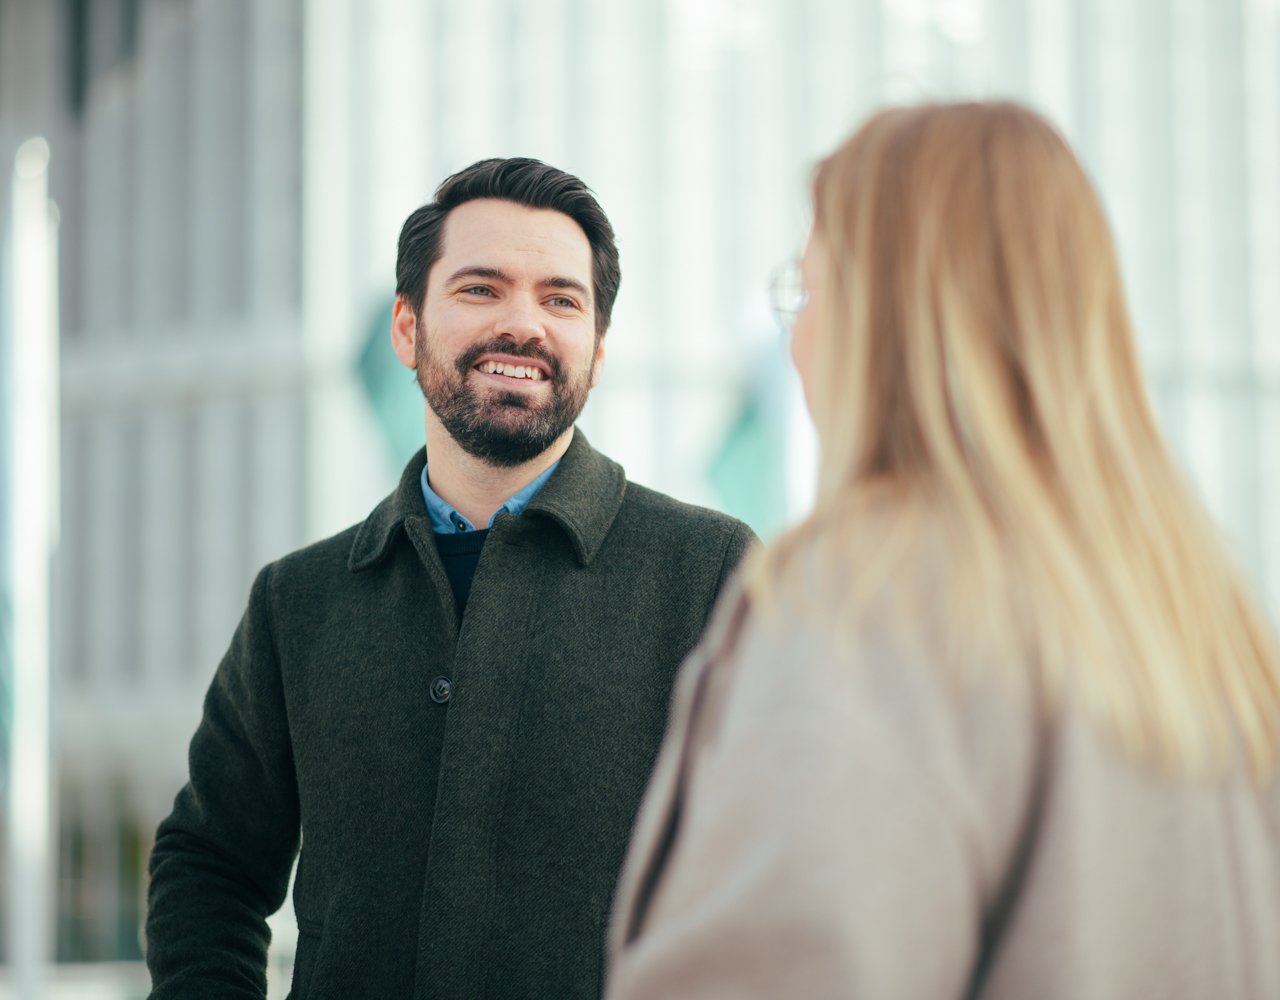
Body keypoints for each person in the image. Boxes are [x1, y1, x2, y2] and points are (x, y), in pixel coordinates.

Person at [605, 101, 1280, 999]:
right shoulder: (1201, 609)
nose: (796, 338)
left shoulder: (866, 592)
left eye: (806, 293)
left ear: (885, 319)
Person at [145, 157, 755, 999]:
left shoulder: (712, 575)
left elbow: (782, 877)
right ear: (406, 328)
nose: (524, 324)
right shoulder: (299, 603)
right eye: (480, 288)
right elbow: (207, 865)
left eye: (560, 299)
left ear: (598, 351)